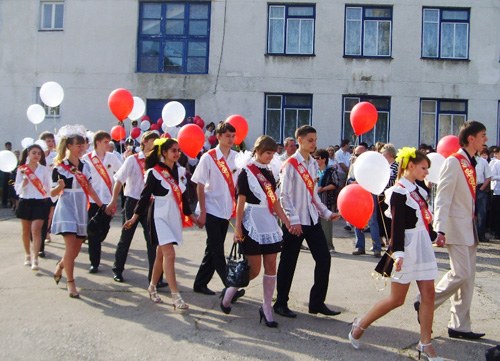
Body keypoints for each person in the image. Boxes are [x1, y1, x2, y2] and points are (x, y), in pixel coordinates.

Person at [349, 148, 443, 361]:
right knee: (396, 299)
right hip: (406, 247)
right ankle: (361, 323)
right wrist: (398, 253)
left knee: (429, 293)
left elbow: (422, 220)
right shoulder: (399, 192)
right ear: (410, 166)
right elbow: (397, 226)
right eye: (423, 168)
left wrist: (435, 235)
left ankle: (425, 344)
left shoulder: (419, 190)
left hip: (422, 245)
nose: (427, 172)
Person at [416, 120, 488, 340]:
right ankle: (426, 301)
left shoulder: (471, 161)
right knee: (461, 273)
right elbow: (443, 197)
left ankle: (460, 325)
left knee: (468, 279)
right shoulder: (454, 162)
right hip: (455, 227)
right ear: (471, 138)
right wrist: (440, 228)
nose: (486, 139)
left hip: (468, 227)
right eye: (482, 135)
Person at [273, 125, 341, 318]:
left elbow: (313, 196)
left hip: (311, 219)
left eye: (315, 140)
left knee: (324, 259)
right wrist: (292, 220)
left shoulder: (312, 164)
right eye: (310, 140)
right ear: (299, 140)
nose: (314, 144)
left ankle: (317, 302)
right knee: (288, 262)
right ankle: (281, 303)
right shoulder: (290, 165)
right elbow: (284, 196)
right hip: (295, 222)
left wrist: (327, 214)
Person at [223, 136, 291, 327]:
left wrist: (286, 221)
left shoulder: (269, 173)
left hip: (268, 221)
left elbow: (275, 201)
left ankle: (267, 307)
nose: (270, 157)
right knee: (253, 270)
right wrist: (237, 228)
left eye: (272, 153)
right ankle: (229, 293)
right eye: (267, 153)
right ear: (258, 151)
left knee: (271, 266)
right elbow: (240, 202)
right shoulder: (246, 172)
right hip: (251, 220)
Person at [123, 138, 198, 309]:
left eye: (178, 150)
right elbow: (143, 198)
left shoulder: (179, 171)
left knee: (160, 255)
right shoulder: (154, 172)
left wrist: (193, 217)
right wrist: (134, 218)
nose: (177, 153)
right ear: (163, 153)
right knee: (169, 254)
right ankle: (175, 296)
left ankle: (152, 287)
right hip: (158, 215)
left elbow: (183, 198)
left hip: (173, 214)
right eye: (173, 150)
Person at [51, 125, 110, 298]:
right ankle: (71, 282)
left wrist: (101, 205)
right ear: (69, 146)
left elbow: (90, 188)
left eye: (83, 145)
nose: (82, 148)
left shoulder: (85, 166)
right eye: (78, 145)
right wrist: (59, 188)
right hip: (67, 206)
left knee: (75, 250)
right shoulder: (60, 167)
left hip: (81, 206)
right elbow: (51, 193)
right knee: (70, 246)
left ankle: (61, 265)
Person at [191, 121, 243, 301]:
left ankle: (200, 283)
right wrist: (203, 211)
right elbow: (199, 183)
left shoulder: (237, 157)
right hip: (211, 208)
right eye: (227, 136)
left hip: (226, 209)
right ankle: (230, 286)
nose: (230, 139)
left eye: (232, 136)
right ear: (218, 137)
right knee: (217, 249)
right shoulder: (209, 157)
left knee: (212, 249)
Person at [109, 131, 160, 284]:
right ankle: (117, 270)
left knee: (153, 241)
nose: (154, 144)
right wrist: (113, 201)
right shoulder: (133, 160)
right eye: (152, 140)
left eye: (157, 141)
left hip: (150, 203)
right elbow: (119, 180)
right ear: (144, 142)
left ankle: (155, 277)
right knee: (126, 238)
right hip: (133, 202)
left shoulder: (158, 162)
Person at [82, 131, 122, 274]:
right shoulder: (86, 159)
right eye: (105, 142)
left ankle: (97, 241)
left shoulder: (113, 158)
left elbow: (122, 173)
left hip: (108, 200)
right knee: (93, 231)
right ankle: (94, 263)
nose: (108, 144)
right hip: (92, 200)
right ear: (97, 142)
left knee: (103, 230)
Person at [14, 144, 51, 271]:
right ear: (28, 154)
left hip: (40, 202)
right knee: (26, 231)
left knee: (36, 230)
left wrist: (44, 190)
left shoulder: (44, 169)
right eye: (34, 153)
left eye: (39, 154)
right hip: (25, 201)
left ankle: (35, 258)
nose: (36, 156)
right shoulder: (22, 169)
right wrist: (23, 184)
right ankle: (27, 254)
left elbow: (47, 186)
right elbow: (16, 189)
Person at [314, 148, 339, 255]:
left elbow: (335, 184)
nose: (315, 160)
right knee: (316, 225)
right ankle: (318, 246)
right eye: (314, 158)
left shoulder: (331, 170)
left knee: (326, 225)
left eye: (318, 158)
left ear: (324, 159)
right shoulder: (314, 170)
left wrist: (323, 189)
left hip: (326, 200)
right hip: (314, 201)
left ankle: (329, 246)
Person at [38, 131, 57, 255]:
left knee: (51, 212)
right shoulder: (37, 155)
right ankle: (40, 234)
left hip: (52, 188)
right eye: (47, 141)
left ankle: (47, 232)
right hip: (39, 188)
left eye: (51, 141)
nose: (50, 143)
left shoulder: (55, 155)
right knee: (42, 214)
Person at [475, 151, 491, 242]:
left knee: (482, 213)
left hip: (480, 188)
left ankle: (481, 235)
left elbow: (488, 177)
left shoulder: (483, 161)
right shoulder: (465, 161)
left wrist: (482, 188)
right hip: (468, 187)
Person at [490, 149, 500, 239]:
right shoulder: (495, 163)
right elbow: (492, 176)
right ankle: (496, 232)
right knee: (497, 213)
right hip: (497, 191)